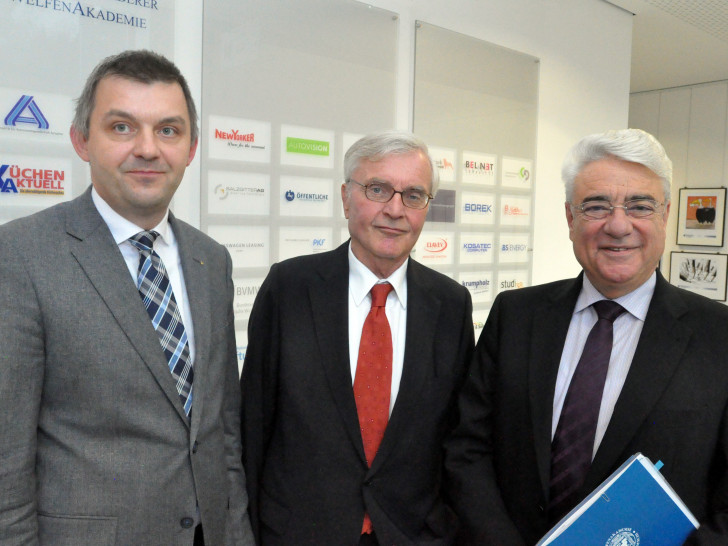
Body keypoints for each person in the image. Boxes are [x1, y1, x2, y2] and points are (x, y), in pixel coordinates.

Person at [0, 50, 254, 545]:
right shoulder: (21, 255)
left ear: (192, 147)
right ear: (81, 140)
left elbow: (222, 433)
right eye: (121, 127)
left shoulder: (211, 260)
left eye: (168, 130)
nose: (147, 149)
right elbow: (5, 457)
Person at [444, 128, 728, 545]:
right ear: (570, 218)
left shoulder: (718, 336)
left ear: (665, 215)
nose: (618, 225)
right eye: (596, 206)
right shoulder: (516, 316)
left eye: (640, 206)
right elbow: (467, 449)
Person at [241, 130, 474, 545]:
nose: (395, 210)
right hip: (298, 534)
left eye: (413, 195)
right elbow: (253, 424)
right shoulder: (290, 287)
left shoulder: (451, 305)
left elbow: (456, 439)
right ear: (346, 197)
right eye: (378, 189)